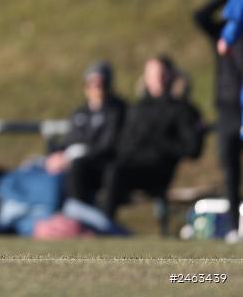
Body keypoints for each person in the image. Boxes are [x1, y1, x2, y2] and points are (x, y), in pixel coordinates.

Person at [100, 56, 203, 220]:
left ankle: (103, 225)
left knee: (114, 172)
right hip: (128, 164)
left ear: (171, 76)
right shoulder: (137, 109)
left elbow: (193, 149)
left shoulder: (182, 110)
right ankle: (75, 223)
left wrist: (159, 143)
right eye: (152, 74)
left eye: (162, 74)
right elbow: (122, 144)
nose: (158, 79)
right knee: (86, 169)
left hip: (157, 171)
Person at [196, 0, 243, 241]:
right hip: (227, 109)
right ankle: (234, 228)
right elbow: (200, 16)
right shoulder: (225, 30)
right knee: (230, 170)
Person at [45, 61, 126, 206]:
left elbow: (107, 145)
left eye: (101, 84)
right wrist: (54, 155)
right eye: (92, 83)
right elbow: (67, 141)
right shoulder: (80, 113)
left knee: (76, 168)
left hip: (96, 167)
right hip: (69, 162)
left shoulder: (117, 111)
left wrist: (70, 158)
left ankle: (78, 217)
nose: (96, 88)